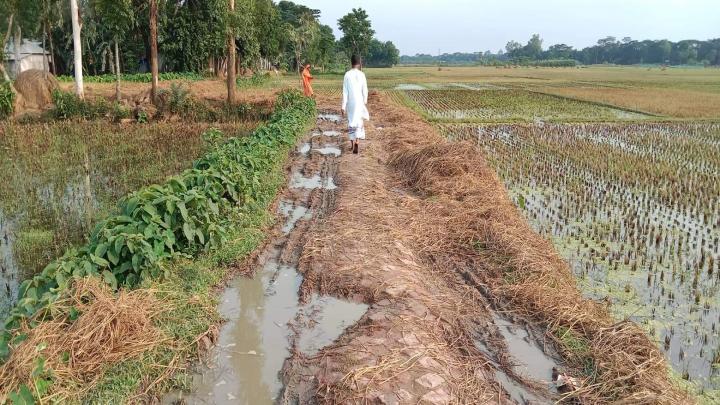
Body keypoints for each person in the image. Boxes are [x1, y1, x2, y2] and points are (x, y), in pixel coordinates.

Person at [341, 55, 369, 154]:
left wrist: (343, 106)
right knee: (359, 121)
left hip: (350, 102)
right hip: (359, 102)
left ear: (351, 62)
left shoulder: (347, 75)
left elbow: (345, 92)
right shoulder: (362, 74)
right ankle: (357, 140)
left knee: (351, 121)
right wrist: (364, 101)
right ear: (359, 63)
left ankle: (352, 145)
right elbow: (365, 89)